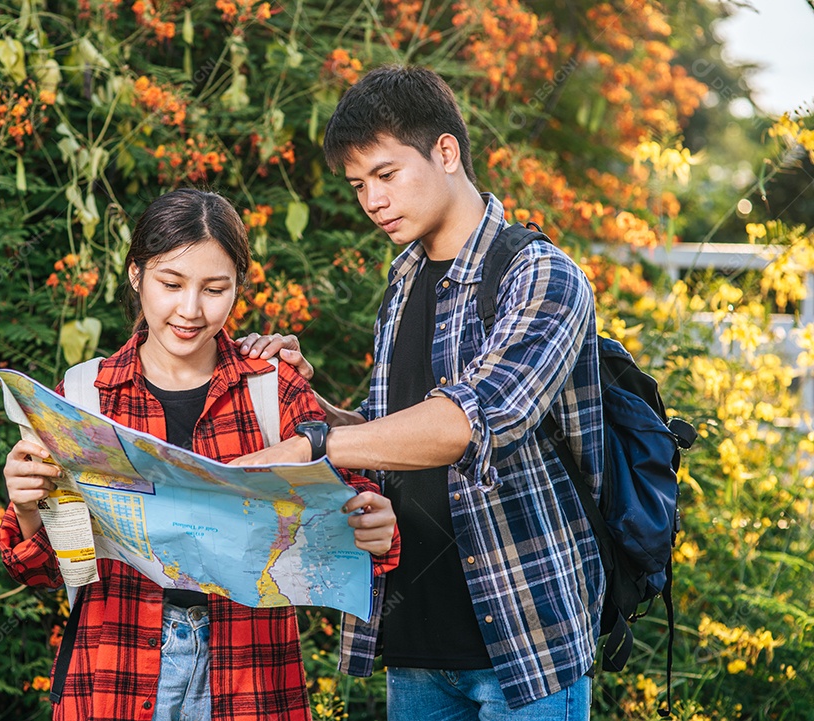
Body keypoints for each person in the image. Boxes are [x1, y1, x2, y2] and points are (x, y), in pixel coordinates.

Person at [232, 66, 605, 720]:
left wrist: (314, 440)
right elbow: (388, 436)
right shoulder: (402, 281)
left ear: (446, 152)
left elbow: (466, 425)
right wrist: (297, 398)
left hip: (523, 651)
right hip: (413, 645)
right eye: (357, 186)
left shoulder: (541, 274)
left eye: (385, 174)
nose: (372, 200)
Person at [0, 188, 399, 721]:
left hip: (252, 674)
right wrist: (28, 508)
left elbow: (355, 507)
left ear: (239, 288)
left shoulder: (273, 390)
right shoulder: (82, 398)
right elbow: (50, 570)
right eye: (170, 284)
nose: (190, 310)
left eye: (215, 289)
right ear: (136, 275)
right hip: (115, 667)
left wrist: (374, 523)